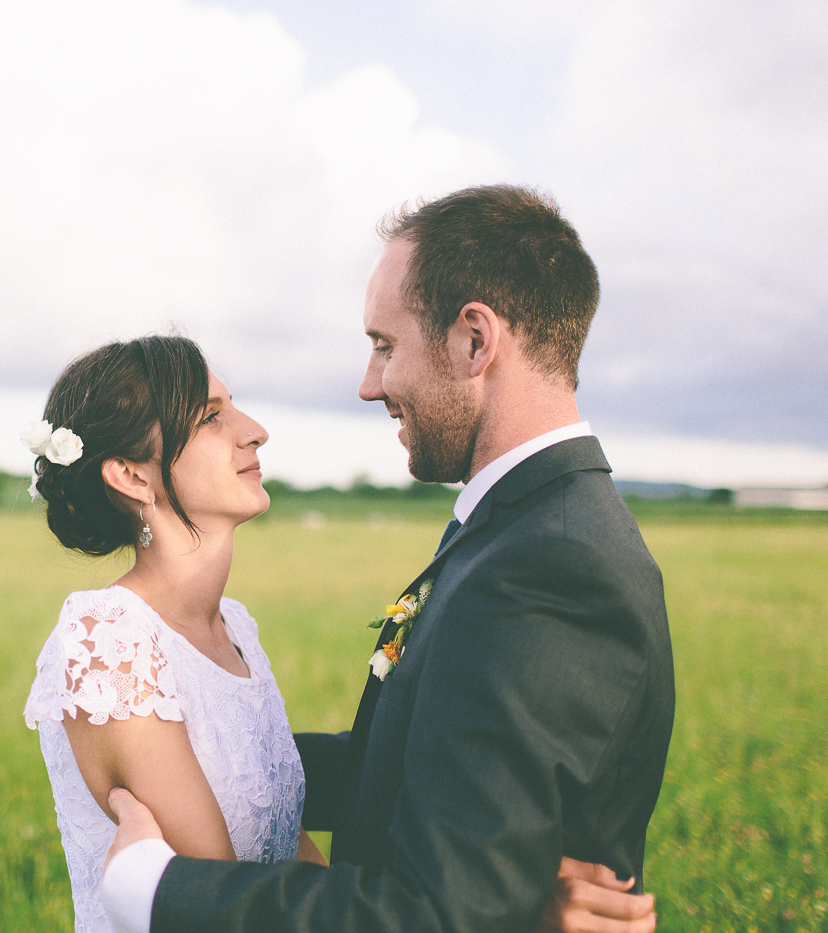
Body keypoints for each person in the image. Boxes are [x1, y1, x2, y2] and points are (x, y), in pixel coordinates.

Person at [100, 185, 676, 933]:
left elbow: (433, 913)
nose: (370, 384)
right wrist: (201, 748)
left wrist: (153, 887)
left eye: (384, 344)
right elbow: (424, 767)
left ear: (475, 339)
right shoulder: (526, 525)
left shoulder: (551, 564)